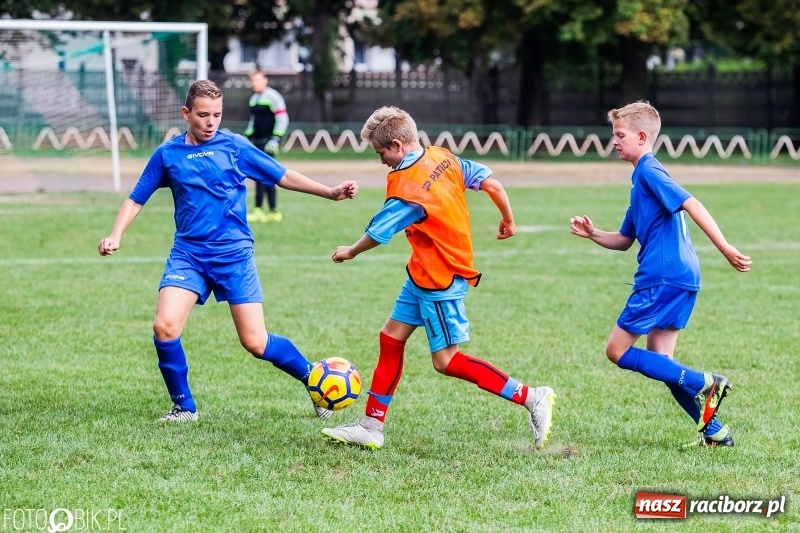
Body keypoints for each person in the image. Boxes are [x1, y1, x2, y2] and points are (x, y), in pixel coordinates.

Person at [97, 80, 358, 422]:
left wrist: (329, 192)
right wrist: (116, 234)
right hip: (188, 255)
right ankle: (184, 408)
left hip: (234, 256)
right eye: (203, 115)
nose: (211, 122)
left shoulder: (235, 147)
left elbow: (281, 175)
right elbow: (136, 198)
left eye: (217, 115)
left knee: (256, 342)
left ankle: (313, 379)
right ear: (186, 113)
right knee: (165, 327)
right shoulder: (168, 155)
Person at [320, 106, 556, 450]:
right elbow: (491, 183)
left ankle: (531, 397)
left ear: (398, 145)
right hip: (422, 271)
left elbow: (378, 232)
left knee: (446, 361)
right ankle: (371, 426)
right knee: (390, 338)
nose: (381, 160)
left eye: (381, 152)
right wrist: (508, 219)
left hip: (440, 277)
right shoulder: (442, 156)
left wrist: (351, 251)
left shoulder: (409, 188)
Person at [569, 101, 751, 447]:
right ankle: (716, 432)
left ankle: (706, 382)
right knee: (662, 362)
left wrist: (725, 247)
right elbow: (624, 240)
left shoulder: (651, 171)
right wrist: (593, 233)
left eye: (619, 135)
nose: (614, 141)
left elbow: (691, 203)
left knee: (616, 351)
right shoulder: (639, 180)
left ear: (641, 136)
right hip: (682, 276)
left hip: (662, 276)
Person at [244, 69, 288, 223]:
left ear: (265, 80)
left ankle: (273, 210)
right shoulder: (254, 99)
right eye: (252, 81)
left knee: (269, 175)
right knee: (258, 175)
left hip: (268, 143)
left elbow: (282, 118)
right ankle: (259, 210)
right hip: (257, 142)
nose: (254, 84)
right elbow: (253, 121)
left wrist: (276, 139)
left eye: (257, 80)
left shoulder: (273, 96)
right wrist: (247, 136)